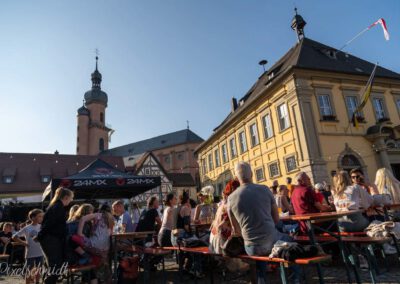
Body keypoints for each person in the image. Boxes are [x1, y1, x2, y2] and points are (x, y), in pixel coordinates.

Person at [228, 162, 292, 284]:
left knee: (259, 253)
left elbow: (235, 231)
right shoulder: (264, 189)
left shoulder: (231, 199)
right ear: (251, 174)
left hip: (250, 247)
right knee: (290, 239)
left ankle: (262, 279)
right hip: (271, 241)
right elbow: (276, 219)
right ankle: (295, 279)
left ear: (236, 178)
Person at [37, 187, 74, 284]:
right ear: (66, 197)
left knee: (54, 266)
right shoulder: (57, 207)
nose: (71, 200)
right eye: (71, 198)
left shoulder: (56, 206)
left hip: (51, 239)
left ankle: (48, 281)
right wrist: (40, 235)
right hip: (51, 239)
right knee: (56, 266)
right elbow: (49, 224)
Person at [72, 204, 114, 283]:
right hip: (105, 250)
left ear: (100, 210)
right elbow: (110, 233)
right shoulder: (111, 218)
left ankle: (87, 258)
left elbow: (83, 218)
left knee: (72, 238)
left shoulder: (98, 215)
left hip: (93, 245)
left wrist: (80, 233)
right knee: (103, 265)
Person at [13, 209, 44, 284]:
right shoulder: (27, 228)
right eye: (39, 216)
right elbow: (14, 236)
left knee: (38, 270)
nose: (41, 218)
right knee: (29, 271)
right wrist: (24, 243)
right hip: (30, 253)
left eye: (42, 216)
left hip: (40, 253)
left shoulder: (42, 227)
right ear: (33, 218)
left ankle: (37, 282)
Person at [209, 179, 240, 254]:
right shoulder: (229, 205)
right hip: (222, 240)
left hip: (213, 237)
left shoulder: (222, 205)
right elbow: (223, 224)